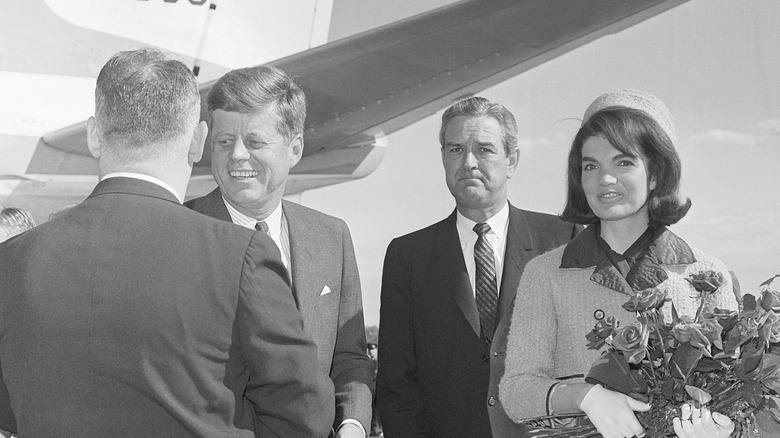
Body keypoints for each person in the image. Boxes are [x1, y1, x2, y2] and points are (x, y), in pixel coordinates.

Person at [0, 48, 334, 437]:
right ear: (198, 141)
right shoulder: (240, 254)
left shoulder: (14, 259)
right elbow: (305, 411)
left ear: (94, 136)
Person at [499, 89, 738, 438]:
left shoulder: (706, 274)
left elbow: (733, 387)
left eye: (623, 162)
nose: (605, 179)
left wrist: (721, 427)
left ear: (655, 174)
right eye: (591, 166)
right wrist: (585, 396)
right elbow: (516, 391)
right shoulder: (545, 273)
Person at [185, 65, 374, 438]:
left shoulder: (331, 237)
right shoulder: (180, 231)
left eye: (254, 142)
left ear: (295, 149)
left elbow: (350, 359)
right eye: (224, 142)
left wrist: (352, 425)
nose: (237, 155)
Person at [375, 96, 580, 437]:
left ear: (511, 160)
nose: (468, 162)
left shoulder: (563, 239)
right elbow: (396, 384)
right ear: (442, 158)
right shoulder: (407, 255)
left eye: (484, 149)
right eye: (455, 150)